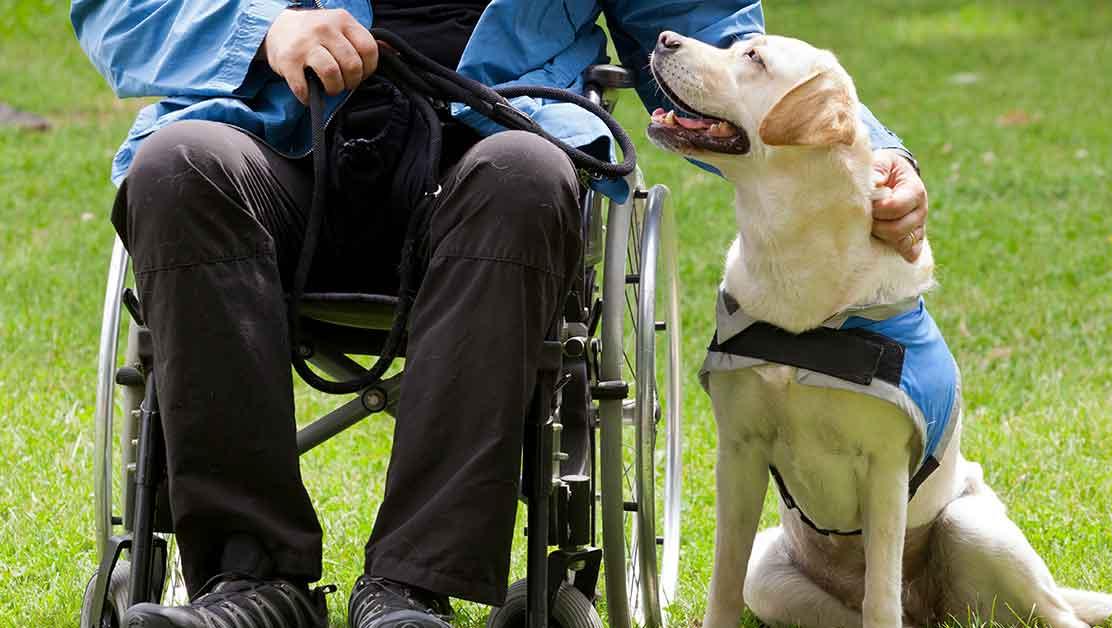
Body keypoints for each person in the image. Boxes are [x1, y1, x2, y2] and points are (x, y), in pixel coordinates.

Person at [70, 1, 930, 627]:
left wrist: (873, 157)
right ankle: (252, 584)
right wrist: (261, 29)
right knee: (178, 164)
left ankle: (411, 589)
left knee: (526, 171)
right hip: (277, 143)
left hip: (491, 155)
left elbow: (711, 30)